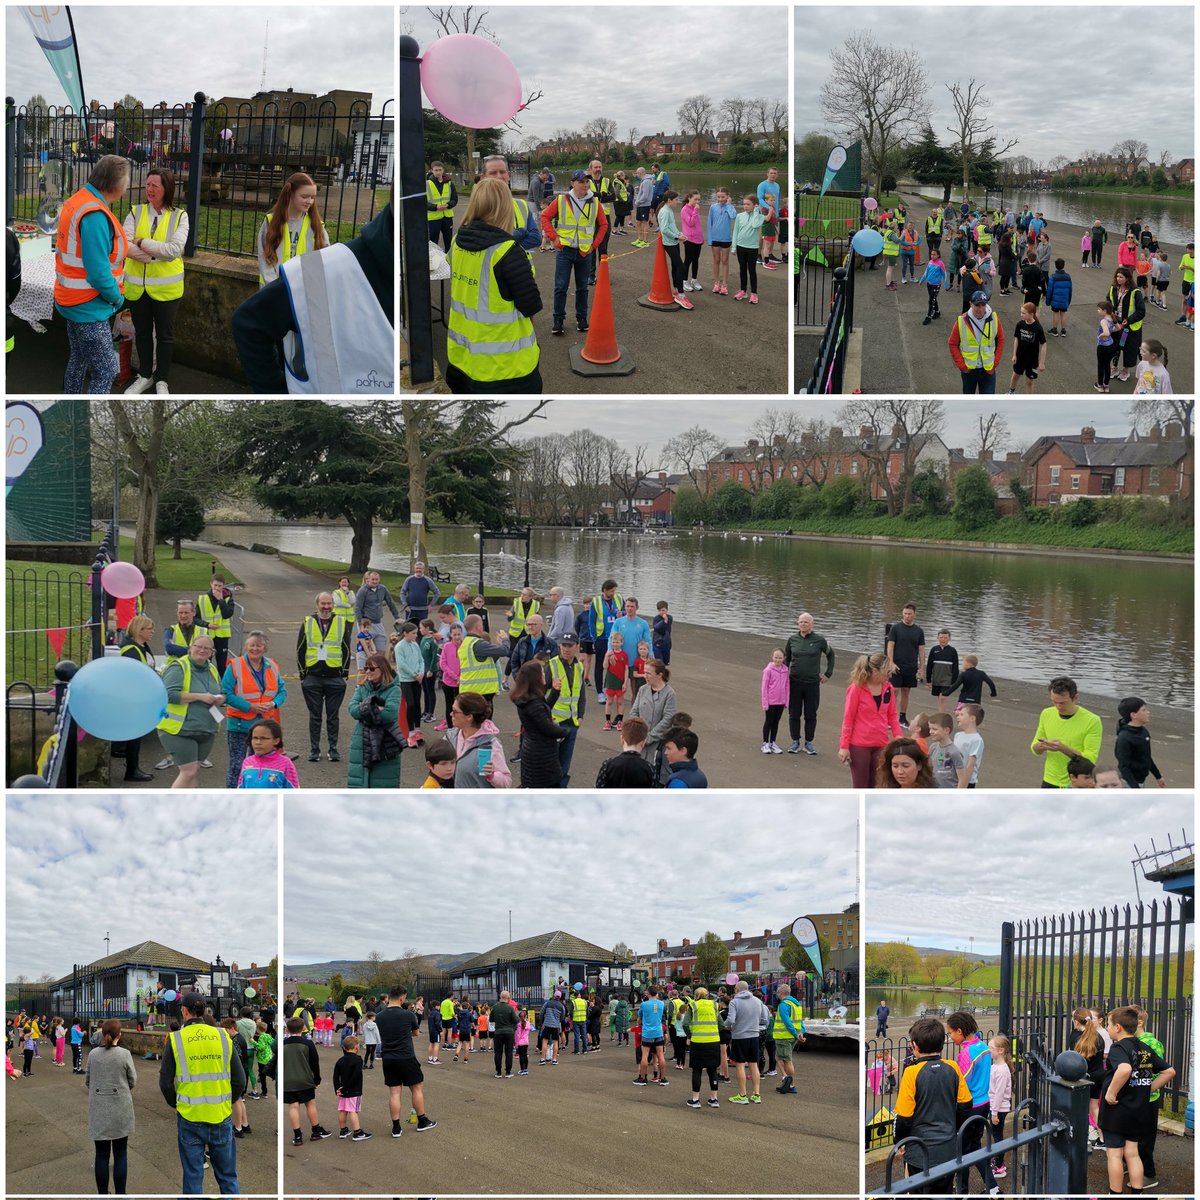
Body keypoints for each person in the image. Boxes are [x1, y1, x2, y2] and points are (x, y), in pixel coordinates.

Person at [230, 200, 392, 395]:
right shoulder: (271, 221)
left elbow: (325, 251)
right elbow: (265, 256)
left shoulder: (317, 225)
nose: (309, 201)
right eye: (305, 195)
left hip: (308, 289)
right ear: (290, 195)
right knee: (286, 349)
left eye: (312, 196)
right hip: (290, 288)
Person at [447, 177, 542, 393]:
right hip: (506, 368)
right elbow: (531, 305)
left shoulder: (456, 242)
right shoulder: (507, 251)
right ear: (505, 208)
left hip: (463, 360)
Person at [55, 155, 130, 394]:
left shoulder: (79, 201)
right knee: (106, 370)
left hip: (71, 301)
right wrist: (116, 298)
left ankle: (71, 406)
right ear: (116, 184)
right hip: (89, 306)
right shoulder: (95, 214)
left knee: (78, 358)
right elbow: (98, 272)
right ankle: (82, 423)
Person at [159, 992, 244, 1195]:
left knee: (193, 1177)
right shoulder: (223, 1036)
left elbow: (165, 1083)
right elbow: (239, 1080)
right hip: (220, 1115)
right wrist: (226, 1101)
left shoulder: (176, 1039)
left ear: (184, 1011)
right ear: (205, 1010)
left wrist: (178, 1104)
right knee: (228, 1177)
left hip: (190, 1117)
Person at [122, 166, 188, 395]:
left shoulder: (180, 216)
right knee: (141, 333)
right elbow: (124, 244)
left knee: (165, 335)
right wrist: (152, 255)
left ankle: (162, 379)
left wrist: (141, 243)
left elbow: (174, 250)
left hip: (167, 289)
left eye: (154, 185)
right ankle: (145, 375)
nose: (149, 189)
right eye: (147, 184)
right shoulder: (135, 212)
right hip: (137, 287)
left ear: (166, 188)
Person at [1099, 1006, 1173, 1195]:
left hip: (1117, 1110)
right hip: (1138, 1110)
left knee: (1114, 1154)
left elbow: (1124, 1069)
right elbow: (1168, 1072)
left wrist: (1111, 1094)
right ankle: (1137, 1192)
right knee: (1132, 1153)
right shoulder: (1144, 1048)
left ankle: (1114, 1193)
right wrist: (1146, 1090)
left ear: (1117, 1027)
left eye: (1108, 1025)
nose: (1107, 1029)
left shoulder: (1118, 1047)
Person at [894, 1016, 974, 1188]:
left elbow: (904, 1117)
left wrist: (899, 1141)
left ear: (914, 1045)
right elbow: (966, 1104)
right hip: (947, 1147)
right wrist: (952, 1126)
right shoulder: (952, 1067)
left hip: (919, 1150)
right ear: (941, 1044)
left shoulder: (911, 1073)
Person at [540, 170, 608, 335]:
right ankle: (558, 320)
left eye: (587, 181)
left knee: (582, 288)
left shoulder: (595, 202)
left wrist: (594, 245)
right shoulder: (561, 200)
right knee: (560, 287)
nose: (585, 184)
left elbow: (604, 225)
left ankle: (582, 318)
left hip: (584, 252)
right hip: (565, 251)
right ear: (573, 183)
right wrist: (554, 238)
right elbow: (545, 217)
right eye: (581, 181)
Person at [221, 630, 286, 789]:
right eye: (251, 646)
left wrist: (273, 704)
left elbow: (282, 690)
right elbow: (226, 694)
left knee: (259, 766)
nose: (254, 649)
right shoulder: (235, 666)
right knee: (237, 766)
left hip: (263, 726)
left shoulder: (272, 665)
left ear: (264, 648)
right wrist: (250, 707)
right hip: (239, 725)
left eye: (258, 645)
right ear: (246, 647)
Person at [155, 636, 222, 788]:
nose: (202, 650)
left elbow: (221, 690)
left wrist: (220, 698)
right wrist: (201, 697)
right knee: (188, 772)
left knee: (193, 772)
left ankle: (192, 806)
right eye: (199, 646)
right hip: (180, 730)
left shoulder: (211, 668)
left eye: (207, 648)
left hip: (206, 729)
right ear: (190, 648)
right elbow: (169, 695)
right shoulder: (179, 667)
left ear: (212, 652)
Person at [297, 592, 352, 763]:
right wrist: (302, 674)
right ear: (317, 605)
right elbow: (300, 648)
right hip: (313, 676)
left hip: (334, 676)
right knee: (315, 716)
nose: (326, 607)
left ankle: (333, 749)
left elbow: (346, 648)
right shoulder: (308, 622)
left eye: (329, 604)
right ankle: (315, 749)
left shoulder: (341, 622)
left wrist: (345, 672)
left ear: (333, 605)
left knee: (333, 716)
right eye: (323, 604)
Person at [87, 1018, 136, 1196]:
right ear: (119, 1034)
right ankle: (120, 1194)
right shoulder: (125, 1054)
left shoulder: (93, 1055)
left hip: (99, 1109)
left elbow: (88, 1080)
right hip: (120, 1108)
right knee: (121, 1154)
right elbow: (133, 1080)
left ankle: (102, 1194)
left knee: (101, 1155)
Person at [838, 652, 902, 788]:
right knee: (860, 785)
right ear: (874, 671)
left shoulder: (888, 689)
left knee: (875, 785)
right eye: (886, 672)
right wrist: (844, 747)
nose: (889, 675)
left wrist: (899, 737)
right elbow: (848, 719)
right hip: (859, 745)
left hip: (881, 743)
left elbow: (893, 716)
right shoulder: (856, 689)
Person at [1031, 675, 1103, 788]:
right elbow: (1034, 749)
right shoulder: (1046, 713)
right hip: (1049, 779)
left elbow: (1090, 759)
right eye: (1054, 702)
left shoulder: (1092, 720)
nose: (1058, 706)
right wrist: (1041, 746)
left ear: (1075, 698)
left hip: (1076, 783)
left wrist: (1063, 748)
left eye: (1063, 702)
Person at [348, 653, 405, 788]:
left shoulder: (394, 690)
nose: (367, 671)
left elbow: (390, 714)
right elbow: (352, 709)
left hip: (385, 741)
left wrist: (365, 709)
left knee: (383, 782)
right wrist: (374, 708)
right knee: (358, 781)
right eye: (366, 668)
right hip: (361, 739)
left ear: (383, 669)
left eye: (372, 669)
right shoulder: (362, 687)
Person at [509, 659, 568, 787]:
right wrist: (566, 731)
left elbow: (544, 709)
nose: (544, 674)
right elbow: (546, 726)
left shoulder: (527, 698)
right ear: (535, 678)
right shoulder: (532, 703)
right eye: (542, 672)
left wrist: (555, 691)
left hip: (533, 749)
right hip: (541, 756)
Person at [784, 612, 834, 755]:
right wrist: (782, 675)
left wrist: (828, 673)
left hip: (812, 683)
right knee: (794, 713)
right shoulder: (792, 640)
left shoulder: (819, 640)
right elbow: (786, 659)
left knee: (810, 714)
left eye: (806, 622)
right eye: (801, 622)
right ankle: (795, 742)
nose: (803, 624)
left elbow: (831, 654)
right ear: (798, 623)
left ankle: (809, 743)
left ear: (811, 624)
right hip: (795, 682)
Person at [114, 614, 157, 781]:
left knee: (135, 734)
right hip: (134, 699)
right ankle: (132, 771)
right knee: (135, 733)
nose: (153, 631)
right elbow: (133, 676)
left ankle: (133, 767)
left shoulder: (140, 646)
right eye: (149, 629)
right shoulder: (132, 650)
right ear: (140, 630)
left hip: (137, 696)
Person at [446, 691, 512, 787]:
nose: (451, 714)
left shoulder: (490, 745)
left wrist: (492, 776)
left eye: (455, 711)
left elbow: (506, 782)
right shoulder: (450, 737)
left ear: (469, 716)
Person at [545, 633, 587, 786]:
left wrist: (581, 715)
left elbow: (581, 694)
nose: (566, 649)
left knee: (565, 765)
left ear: (577, 647)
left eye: (570, 645)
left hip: (572, 722)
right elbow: (541, 694)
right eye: (563, 645)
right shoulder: (551, 665)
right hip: (555, 723)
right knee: (551, 765)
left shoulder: (579, 666)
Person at [628, 659, 679, 781]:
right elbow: (634, 712)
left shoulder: (669, 694)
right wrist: (636, 733)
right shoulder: (643, 689)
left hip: (658, 744)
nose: (645, 676)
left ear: (660, 675)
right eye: (644, 672)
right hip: (639, 741)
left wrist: (650, 737)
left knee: (655, 777)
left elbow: (668, 719)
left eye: (648, 673)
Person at [949, 290, 1005, 393]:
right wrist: (962, 365)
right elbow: (952, 343)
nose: (981, 309)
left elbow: (1001, 340)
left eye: (983, 305)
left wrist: (995, 361)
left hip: (988, 369)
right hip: (969, 369)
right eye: (977, 305)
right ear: (970, 304)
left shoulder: (994, 319)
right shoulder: (961, 321)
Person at [886, 603, 925, 726]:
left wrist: (922, 667)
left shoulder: (918, 631)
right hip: (896, 665)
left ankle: (902, 717)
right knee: (894, 690)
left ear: (914, 614)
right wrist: (891, 662)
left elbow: (921, 650)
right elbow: (890, 645)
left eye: (909, 614)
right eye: (905, 614)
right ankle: (889, 717)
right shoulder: (896, 628)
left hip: (911, 665)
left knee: (906, 691)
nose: (907, 616)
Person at [1107, 265, 1147, 384]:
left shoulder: (1135, 292)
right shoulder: (1113, 288)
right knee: (1115, 346)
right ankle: (1114, 368)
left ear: (1127, 278)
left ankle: (1125, 370)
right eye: (1117, 276)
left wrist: (1128, 320)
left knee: (1126, 347)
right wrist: (1110, 314)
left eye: (1121, 277)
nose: (1118, 279)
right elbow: (1108, 301)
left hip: (1127, 327)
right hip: (1116, 324)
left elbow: (1141, 311)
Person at [1114, 696, 1165, 788]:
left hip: (1141, 780)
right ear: (1133, 715)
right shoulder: (1124, 737)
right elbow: (1123, 767)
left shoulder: (1143, 731)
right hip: (1127, 783)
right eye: (1144, 710)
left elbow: (1146, 756)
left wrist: (1158, 776)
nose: (1148, 712)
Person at [237, 717, 299, 788]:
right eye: (255, 738)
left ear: (276, 740)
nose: (258, 742)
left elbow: (294, 792)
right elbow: (240, 789)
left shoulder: (285, 763)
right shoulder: (247, 761)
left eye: (263, 738)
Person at [655, 190, 691, 309]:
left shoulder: (668, 210)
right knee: (681, 267)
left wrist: (680, 234)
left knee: (676, 266)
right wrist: (677, 236)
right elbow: (664, 229)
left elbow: (672, 227)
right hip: (669, 243)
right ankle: (680, 294)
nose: (677, 202)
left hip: (674, 241)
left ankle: (676, 290)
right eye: (676, 200)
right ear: (669, 200)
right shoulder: (665, 211)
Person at [333, 1035, 371, 1141]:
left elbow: (335, 1076)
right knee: (353, 1111)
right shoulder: (358, 1060)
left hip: (342, 1090)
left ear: (344, 1048)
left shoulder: (340, 1060)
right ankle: (357, 1132)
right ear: (357, 1047)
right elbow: (355, 1076)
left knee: (342, 1110)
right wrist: (346, 1088)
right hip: (354, 1090)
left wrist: (338, 1088)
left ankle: (343, 1130)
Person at [770, 983, 804, 1095]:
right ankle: (786, 1080)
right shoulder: (796, 1004)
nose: (776, 994)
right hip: (791, 1036)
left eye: (777, 992)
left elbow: (787, 1022)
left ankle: (790, 1084)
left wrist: (796, 1034)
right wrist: (801, 1033)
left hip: (784, 1036)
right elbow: (800, 1021)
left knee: (787, 1060)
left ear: (780, 993)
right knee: (779, 1057)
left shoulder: (783, 1005)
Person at [354, 571, 399, 655]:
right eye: (372, 579)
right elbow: (357, 608)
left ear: (379, 580)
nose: (374, 581)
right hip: (367, 623)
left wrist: (397, 617)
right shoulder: (363, 591)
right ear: (368, 580)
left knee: (381, 650)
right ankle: (363, 667)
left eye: (376, 579)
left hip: (378, 622)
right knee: (365, 650)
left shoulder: (383, 589)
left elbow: (390, 603)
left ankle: (377, 666)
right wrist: (361, 624)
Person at [732, 193, 766, 303]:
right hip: (740, 247)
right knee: (742, 269)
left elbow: (755, 225)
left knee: (752, 270)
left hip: (752, 248)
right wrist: (734, 247)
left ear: (755, 205)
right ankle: (743, 290)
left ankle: (754, 293)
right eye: (744, 204)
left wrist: (756, 211)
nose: (745, 206)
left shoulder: (760, 217)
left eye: (748, 204)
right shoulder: (739, 216)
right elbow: (736, 231)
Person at [1007, 301, 1047, 394]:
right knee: (1015, 376)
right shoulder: (1020, 324)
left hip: (1032, 361)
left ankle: (1029, 400)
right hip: (1020, 357)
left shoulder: (1038, 328)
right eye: (1021, 312)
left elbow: (1043, 344)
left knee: (1029, 382)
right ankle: (1011, 392)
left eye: (1023, 313)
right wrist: (1014, 355)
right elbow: (1016, 339)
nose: (1021, 315)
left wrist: (1042, 362)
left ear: (1031, 314)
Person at [634, 985, 669, 1086]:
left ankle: (643, 1078)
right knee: (660, 1056)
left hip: (647, 1033)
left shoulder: (644, 1004)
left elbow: (639, 1017)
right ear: (656, 993)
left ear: (648, 993)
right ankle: (663, 1079)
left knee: (644, 1056)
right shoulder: (661, 1004)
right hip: (658, 1032)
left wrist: (638, 1023)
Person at [707, 186, 737, 294]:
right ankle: (716, 283)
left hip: (726, 238)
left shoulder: (730, 207)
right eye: (718, 197)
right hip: (715, 238)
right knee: (716, 260)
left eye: (722, 197)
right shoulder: (713, 207)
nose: (720, 199)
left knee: (725, 261)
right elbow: (709, 224)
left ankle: (724, 284)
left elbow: (734, 216)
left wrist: (728, 204)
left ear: (727, 197)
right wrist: (709, 239)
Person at [760, 647, 789, 754]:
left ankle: (772, 742)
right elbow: (764, 688)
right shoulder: (768, 671)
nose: (778, 660)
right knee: (769, 721)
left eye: (780, 658)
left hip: (781, 701)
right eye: (776, 657)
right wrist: (765, 703)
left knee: (776, 722)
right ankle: (765, 743)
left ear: (784, 658)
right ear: (772, 657)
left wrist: (787, 701)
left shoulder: (785, 670)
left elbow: (787, 686)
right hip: (770, 701)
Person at [426, 160, 457, 253]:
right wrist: (435, 207)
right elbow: (422, 202)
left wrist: (449, 205)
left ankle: (448, 260)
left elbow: (454, 199)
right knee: (433, 242)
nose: (438, 172)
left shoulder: (449, 183)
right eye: (436, 170)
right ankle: (434, 261)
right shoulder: (426, 184)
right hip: (433, 218)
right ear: (432, 170)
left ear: (443, 170)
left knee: (449, 241)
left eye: (440, 170)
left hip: (447, 217)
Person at [1045, 257, 1073, 337]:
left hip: (1055, 300)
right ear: (1063, 265)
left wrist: (1048, 301)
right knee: (1063, 313)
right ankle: (1063, 330)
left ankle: (1055, 330)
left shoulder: (1053, 277)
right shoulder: (1068, 277)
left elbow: (1049, 290)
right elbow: (1070, 290)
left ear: (1055, 265)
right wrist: (1069, 300)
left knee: (1055, 313)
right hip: (1064, 300)